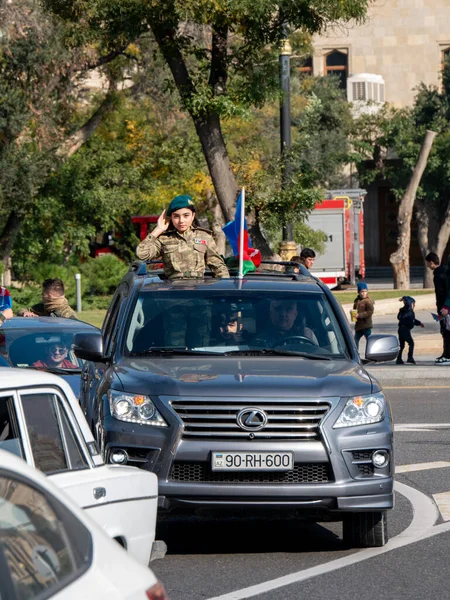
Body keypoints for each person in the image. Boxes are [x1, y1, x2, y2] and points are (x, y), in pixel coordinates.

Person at [136, 195, 229, 279]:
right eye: (176, 216)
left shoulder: (204, 236)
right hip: (174, 289)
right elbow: (141, 254)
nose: (181, 221)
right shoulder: (164, 239)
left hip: (199, 288)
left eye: (186, 216)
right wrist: (158, 229)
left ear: (193, 216)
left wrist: (226, 290)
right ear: (171, 218)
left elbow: (218, 266)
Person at [425, 252, 448, 363]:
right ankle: (445, 353)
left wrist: (444, 307)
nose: (428, 266)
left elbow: (443, 292)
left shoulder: (440, 274)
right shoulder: (442, 271)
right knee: (444, 330)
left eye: (428, 263)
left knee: (445, 330)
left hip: (444, 308)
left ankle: (447, 355)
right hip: (444, 306)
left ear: (431, 262)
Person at [396, 296, 424, 364]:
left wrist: (419, 323)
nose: (414, 305)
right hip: (405, 330)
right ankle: (410, 357)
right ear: (410, 303)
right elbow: (413, 320)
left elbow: (412, 320)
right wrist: (419, 323)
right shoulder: (409, 311)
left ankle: (399, 359)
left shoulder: (402, 311)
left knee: (402, 345)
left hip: (400, 329)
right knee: (411, 343)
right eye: (413, 303)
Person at [353, 281, 374, 351]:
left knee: (369, 341)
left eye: (365, 291)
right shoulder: (357, 301)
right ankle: (355, 354)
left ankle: (371, 353)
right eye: (362, 291)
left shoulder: (368, 301)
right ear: (358, 292)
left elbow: (370, 312)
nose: (363, 293)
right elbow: (355, 309)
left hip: (366, 325)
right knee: (354, 341)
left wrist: (360, 315)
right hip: (359, 326)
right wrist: (353, 315)